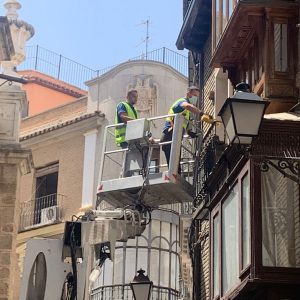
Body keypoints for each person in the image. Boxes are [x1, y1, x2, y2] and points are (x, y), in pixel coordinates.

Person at [161, 86, 203, 171]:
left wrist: (189, 132)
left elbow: (184, 122)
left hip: (176, 133)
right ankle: (174, 173)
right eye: (194, 95)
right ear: (188, 94)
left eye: (197, 96)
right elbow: (186, 106)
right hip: (170, 131)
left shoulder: (187, 111)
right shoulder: (182, 101)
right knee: (173, 159)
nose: (196, 98)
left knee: (175, 159)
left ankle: (175, 173)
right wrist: (201, 113)